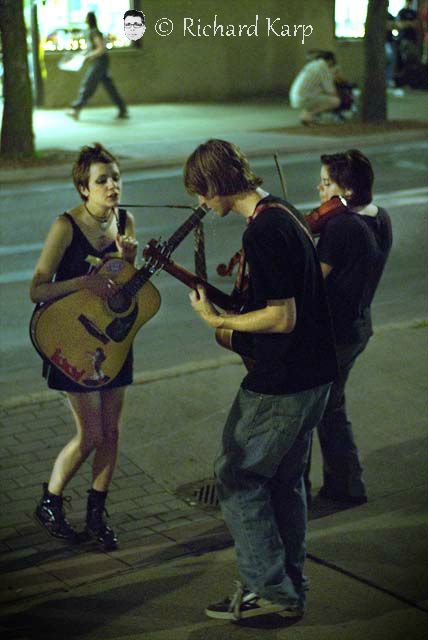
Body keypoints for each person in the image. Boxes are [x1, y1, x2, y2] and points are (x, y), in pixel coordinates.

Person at [184, 139, 337, 621]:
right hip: (316, 376)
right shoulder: (282, 210)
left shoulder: (262, 232)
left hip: (283, 382)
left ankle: (268, 589)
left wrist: (218, 322)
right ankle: (287, 586)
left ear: (215, 184)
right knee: (285, 482)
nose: (201, 204)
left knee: (238, 474)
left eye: (200, 193)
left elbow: (281, 317)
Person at [30, 143, 138, 550]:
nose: (112, 186)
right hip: (69, 340)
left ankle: (96, 513)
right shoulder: (66, 227)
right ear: (83, 188)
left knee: (111, 431)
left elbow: (126, 293)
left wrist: (129, 263)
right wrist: (81, 282)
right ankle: (51, 500)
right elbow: (36, 289)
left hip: (112, 341)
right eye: (102, 180)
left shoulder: (126, 221)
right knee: (90, 433)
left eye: (115, 177)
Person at [307, 150, 393, 505]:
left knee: (317, 410)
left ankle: (342, 486)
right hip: (359, 325)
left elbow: (312, 281)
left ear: (349, 191)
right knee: (332, 406)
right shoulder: (380, 218)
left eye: (326, 183)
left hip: (335, 333)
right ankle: (345, 483)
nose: (319, 189)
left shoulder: (341, 226)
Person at [67, 12, 128, 120]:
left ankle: (76, 108)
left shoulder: (94, 32)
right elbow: (93, 48)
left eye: (86, 18)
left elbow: (100, 49)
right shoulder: (92, 32)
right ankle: (122, 109)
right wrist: (83, 54)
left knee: (88, 83)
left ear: (89, 20)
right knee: (109, 87)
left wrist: (88, 56)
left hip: (99, 62)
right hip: (99, 61)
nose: (84, 20)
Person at [289, 51, 340, 126]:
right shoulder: (323, 68)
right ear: (331, 61)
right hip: (303, 99)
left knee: (319, 97)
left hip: (295, 97)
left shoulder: (312, 65)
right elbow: (331, 91)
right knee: (336, 101)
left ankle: (309, 116)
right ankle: (308, 115)